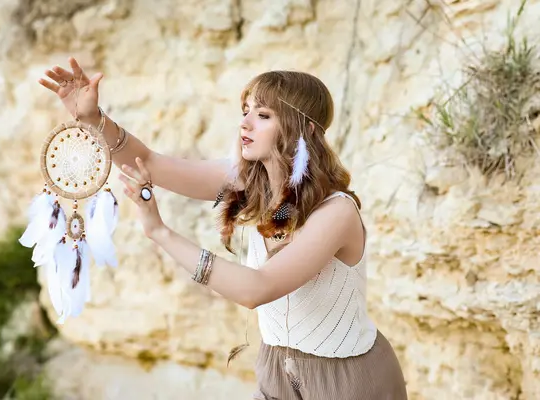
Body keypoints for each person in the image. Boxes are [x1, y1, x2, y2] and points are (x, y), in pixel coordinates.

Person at [39, 57, 408, 400]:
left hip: (349, 379)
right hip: (276, 370)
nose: (245, 123)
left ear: (305, 130)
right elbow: (149, 161)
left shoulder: (336, 212)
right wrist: (93, 120)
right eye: (245, 112)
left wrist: (160, 232)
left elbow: (256, 289)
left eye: (263, 115)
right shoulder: (249, 183)